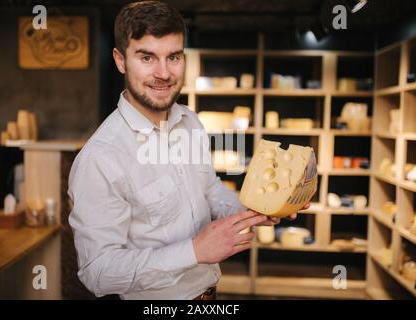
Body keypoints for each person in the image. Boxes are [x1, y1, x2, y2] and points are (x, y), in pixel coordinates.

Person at [68, 0, 307, 300]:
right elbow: (98, 272)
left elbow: (209, 190)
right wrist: (194, 252)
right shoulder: (101, 157)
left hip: (210, 296)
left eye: (174, 57)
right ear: (120, 60)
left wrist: (256, 211)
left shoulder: (190, 121)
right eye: (147, 57)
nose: (164, 73)